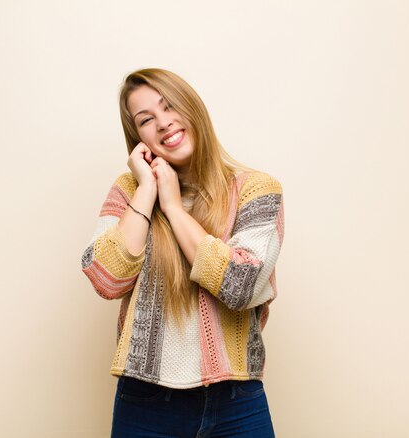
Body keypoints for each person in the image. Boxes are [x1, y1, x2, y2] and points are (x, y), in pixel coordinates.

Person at [81, 68, 284, 437]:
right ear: (138, 138)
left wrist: (173, 208)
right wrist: (147, 189)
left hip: (237, 402)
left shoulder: (257, 189)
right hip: (145, 405)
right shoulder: (129, 191)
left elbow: (241, 286)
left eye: (169, 106)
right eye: (146, 120)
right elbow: (106, 278)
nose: (162, 123)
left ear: (192, 107)